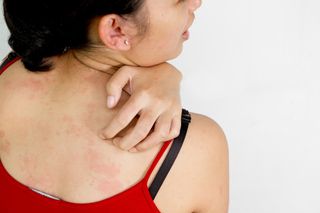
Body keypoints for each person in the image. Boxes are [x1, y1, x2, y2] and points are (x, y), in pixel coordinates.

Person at [0, 0, 228, 212]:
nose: (196, 2)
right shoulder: (196, 147)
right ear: (115, 30)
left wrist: (166, 74)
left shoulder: (8, 77)